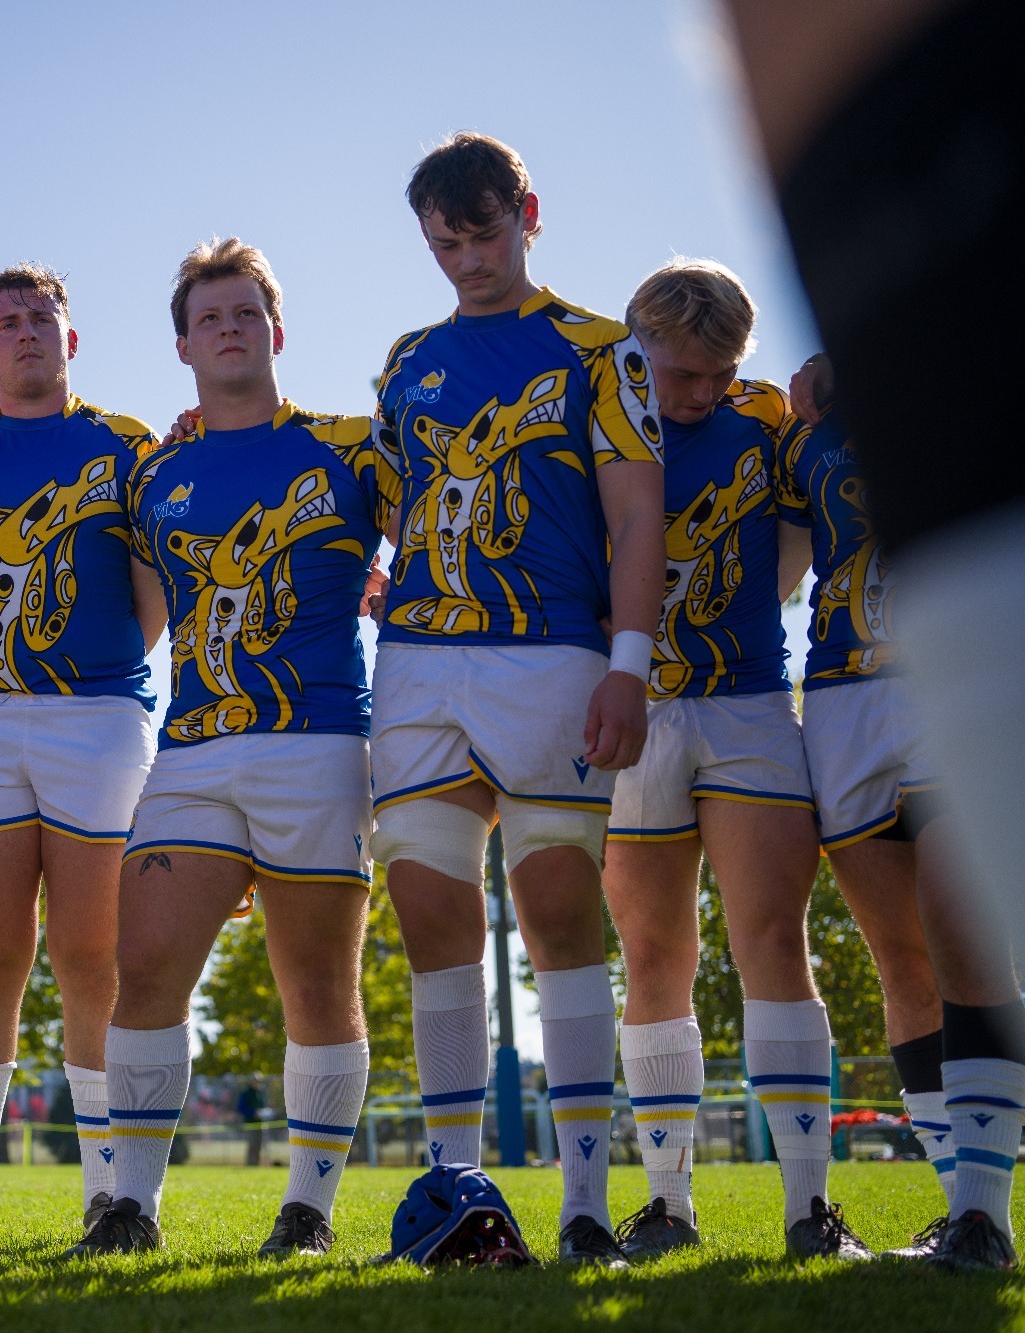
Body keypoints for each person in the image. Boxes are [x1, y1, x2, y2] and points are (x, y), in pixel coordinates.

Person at [367, 133, 664, 1266]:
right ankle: (460, 1201)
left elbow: (637, 516)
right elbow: (383, 498)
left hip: (551, 656)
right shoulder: (404, 356)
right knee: (431, 922)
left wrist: (627, 665)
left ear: (525, 211)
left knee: (556, 919)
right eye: (442, 243)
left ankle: (584, 1205)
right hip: (417, 666)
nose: (465, 260)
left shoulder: (599, 348)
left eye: (481, 233)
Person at [71, 237, 390, 1259]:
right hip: (193, 748)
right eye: (208, 317)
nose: (227, 328)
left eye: (244, 313)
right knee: (145, 962)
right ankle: (130, 1206)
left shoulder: (354, 447)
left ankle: (306, 1210)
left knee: (316, 987)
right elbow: (139, 615)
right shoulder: (153, 469)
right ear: (182, 345)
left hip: (320, 741)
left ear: (275, 330)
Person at [601, 259, 872, 1261]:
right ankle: (667, 1205)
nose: (699, 394)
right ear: (635, 346)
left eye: (717, 374)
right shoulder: (592, 419)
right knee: (654, 953)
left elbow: (800, 541)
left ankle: (809, 1209)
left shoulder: (763, 418)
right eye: (679, 375)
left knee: (770, 935)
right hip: (641, 714)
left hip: (751, 700)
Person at [0, 262, 166, 1249]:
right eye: (6, 322)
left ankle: (107, 1191)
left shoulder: (124, 443)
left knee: (93, 957)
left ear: (71, 338)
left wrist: (90, 660)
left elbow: (156, 587)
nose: (24, 332)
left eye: (41, 317)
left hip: (99, 716)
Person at [780, 352, 1016, 1270]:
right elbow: (775, 569)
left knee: (966, 927)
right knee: (901, 958)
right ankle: (964, 1213)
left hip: (952, 673)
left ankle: (986, 1218)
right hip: (839, 694)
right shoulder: (801, 433)